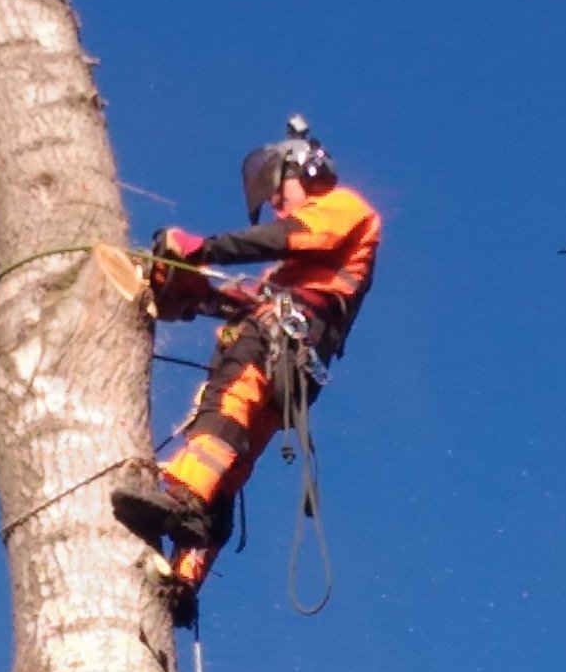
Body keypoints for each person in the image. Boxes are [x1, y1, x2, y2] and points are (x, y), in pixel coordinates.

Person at [111, 115, 381, 611]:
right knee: (231, 460)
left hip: (281, 339)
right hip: (292, 356)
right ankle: (185, 576)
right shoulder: (293, 275)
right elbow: (248, 292)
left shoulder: (342, 210)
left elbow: (280, 239)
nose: (276, 204)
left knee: (223, 408)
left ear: (305, 170)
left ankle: (185, 496)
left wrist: (201, 248)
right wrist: (197, 296)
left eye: (279, 192)